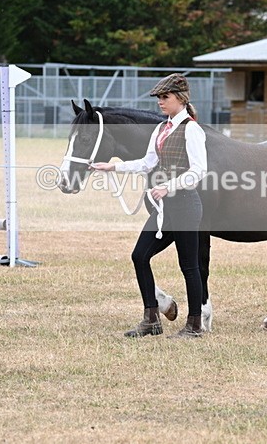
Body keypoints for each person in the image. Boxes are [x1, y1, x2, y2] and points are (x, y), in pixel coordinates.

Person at [90, 73, 207, 339]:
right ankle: (151, 319)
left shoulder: (192, 130)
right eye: (159, 98)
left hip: (186, 205)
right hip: (165, 209)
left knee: (189, 266)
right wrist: (113, 167)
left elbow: (199, 170)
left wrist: (170, 186)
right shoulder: (161, 129)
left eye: (165, 97)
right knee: (140, 256)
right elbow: (146, 162)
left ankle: (195, 325)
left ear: (180, 99)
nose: (160, 102)